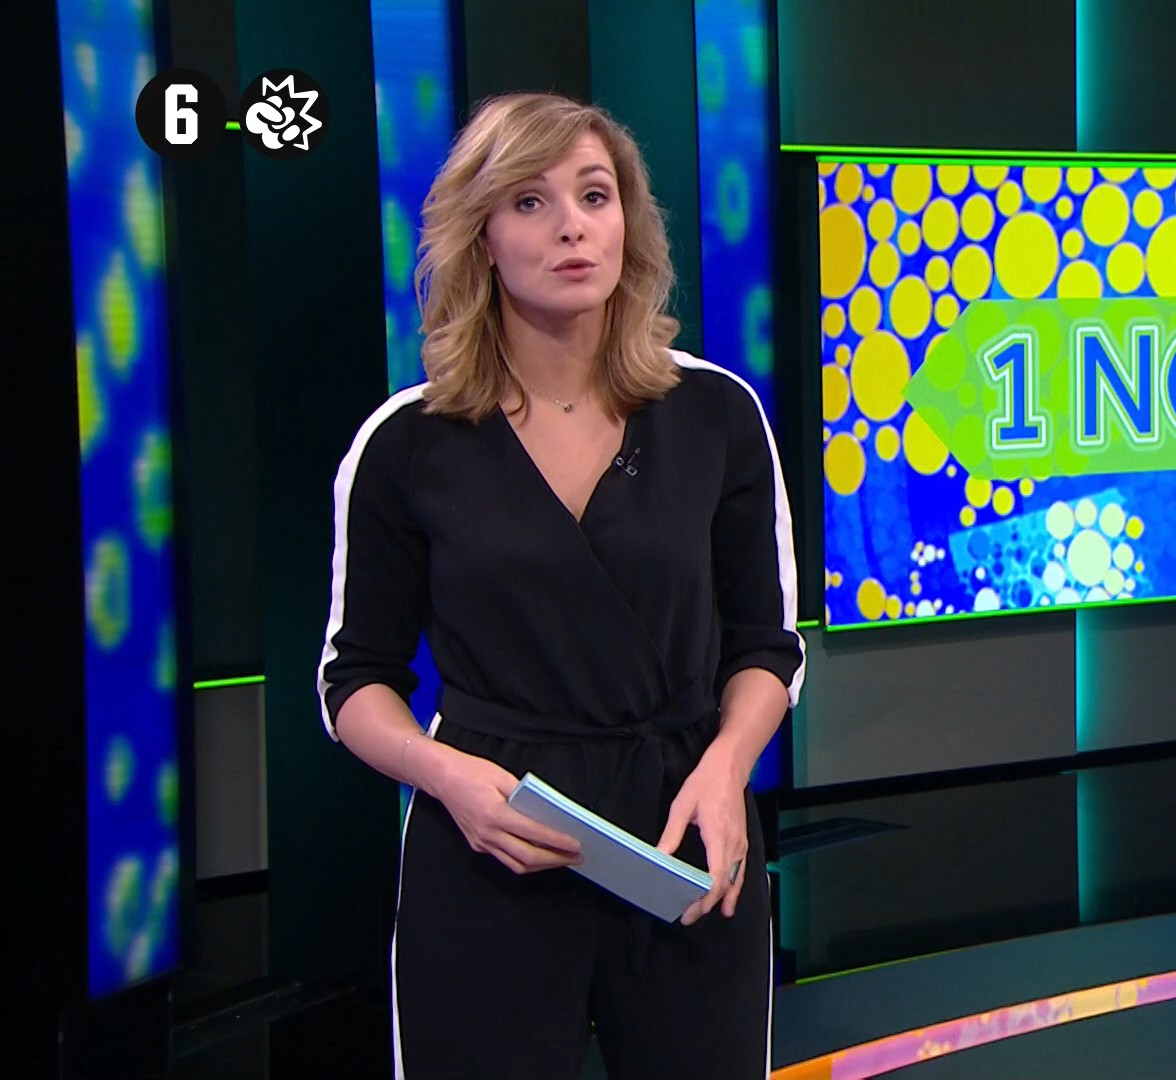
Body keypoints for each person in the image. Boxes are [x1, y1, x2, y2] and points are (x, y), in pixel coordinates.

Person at [315, 92, 804, 1079]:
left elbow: (767, 644)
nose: (572, 225)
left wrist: (727, 768)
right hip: (488, 838)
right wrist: (445, 776)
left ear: (628, 221)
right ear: (483, 238)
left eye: (594, 195)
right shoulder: (407, 444)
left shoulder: (716, 414)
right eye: (530, 202)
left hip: (683, 834)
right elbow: (352, 680)